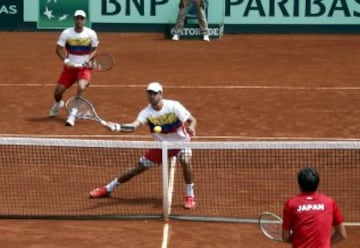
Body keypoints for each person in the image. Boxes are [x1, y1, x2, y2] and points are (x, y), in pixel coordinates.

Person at [89, 82, 197, 209]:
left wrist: (191, 127)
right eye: (149, 93)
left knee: (185, 161)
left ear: (161, 94)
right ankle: (107, 189)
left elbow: (193, 120)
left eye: (154, 93)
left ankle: (190, 196)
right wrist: (117, 127)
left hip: (181, 143)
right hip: (161, 146)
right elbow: (133, 127)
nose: (151, 96)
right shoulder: (146, 113)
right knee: (137, 168)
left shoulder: (174, 106)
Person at [49, 9, 99, 127]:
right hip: (70, 67)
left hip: (84, 67)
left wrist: (88, 59)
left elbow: (95, 49)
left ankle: (73, 114)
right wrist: (66, 61)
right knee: (58, 91)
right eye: (77, 18)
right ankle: (58, 103)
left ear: (84, 20)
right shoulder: (66, 33)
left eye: (81, 18)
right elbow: (58, 49)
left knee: (81, 87)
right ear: (74, 19)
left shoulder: (91, 33)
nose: (79, 20)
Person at [282, 167, 347, 248]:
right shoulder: (329, 202)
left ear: (299, 184)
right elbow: (342, 234)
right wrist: (323, 244)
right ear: (317, 183)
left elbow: (285, 237)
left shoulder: (290, 204)